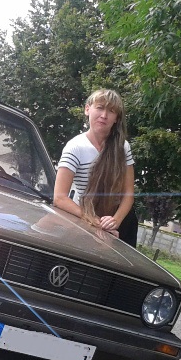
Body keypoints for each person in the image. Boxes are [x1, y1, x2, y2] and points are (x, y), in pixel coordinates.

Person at [54, 89, 137, 247]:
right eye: (99, 108)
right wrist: (96, 222)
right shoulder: (75, 147)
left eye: (111, 111)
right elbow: (60, 198)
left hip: (122, 223)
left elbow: (128, 194)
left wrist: (115, 221)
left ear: (116, 118)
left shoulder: (123, 147)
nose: (104, 115)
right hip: (86, 221)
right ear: (87, 109)